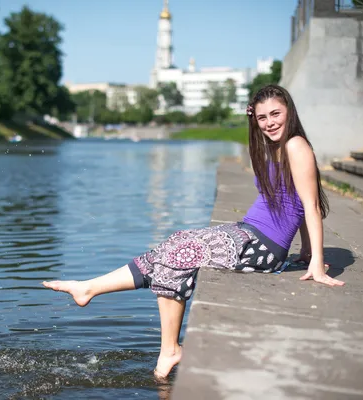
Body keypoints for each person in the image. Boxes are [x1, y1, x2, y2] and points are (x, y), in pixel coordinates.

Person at [43, 84, 345, 380]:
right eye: (262, 117)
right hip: (247, 231)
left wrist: (316, 263)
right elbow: (299, 204)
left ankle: (170, 349)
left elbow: (312, 204)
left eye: (276, 114)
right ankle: (89, 288)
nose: (269, 123)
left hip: (263, 245)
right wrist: (305, 251)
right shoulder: (274, 147)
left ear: (289, 111)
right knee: (173, 244)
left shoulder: (296, 145)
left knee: (181, 252)